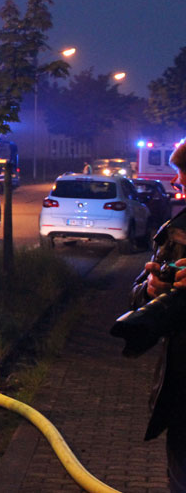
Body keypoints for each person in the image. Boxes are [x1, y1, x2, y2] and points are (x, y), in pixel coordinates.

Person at [131, 140, 186, 491]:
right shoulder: (177, 231)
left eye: (185, 173)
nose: (179, 182)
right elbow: (138, 296)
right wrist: (152, 289)